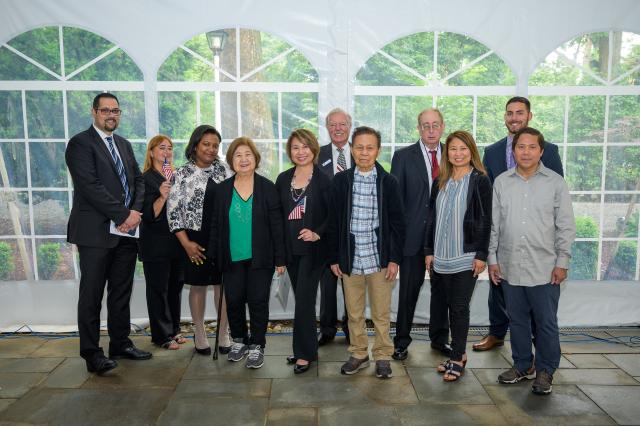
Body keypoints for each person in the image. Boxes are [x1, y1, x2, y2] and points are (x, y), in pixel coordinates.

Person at [66, 92, 151, 375]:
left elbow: (138, 180)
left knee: (120, 292)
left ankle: (120, 343)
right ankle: (92, 354)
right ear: (94, 112)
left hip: (126, 233)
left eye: (115, 110)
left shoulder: (124, 145)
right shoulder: (80, 144)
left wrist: (135, 213)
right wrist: (123, 214)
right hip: (95, 233)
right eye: (105, 110)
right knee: (91, 294)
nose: (111, 115)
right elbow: (90, 186)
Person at [490, 127, 575, 395]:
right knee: (517, 321)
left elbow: (566, 226)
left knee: (545, 322)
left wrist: (562, 261)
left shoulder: (555, 183)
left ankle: (545, 370)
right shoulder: (502, 182)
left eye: (531, 147)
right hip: (510, 265)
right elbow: (495, 225)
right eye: (520, 147)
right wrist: (492, 259)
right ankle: (523, 365)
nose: (526, 152)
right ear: (513, 151)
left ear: (541, 151)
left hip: (545, 268)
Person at [475, 96, 564, 352]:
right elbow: (487, 194)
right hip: (503, 233)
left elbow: (557, 196)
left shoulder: (551, 151)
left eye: (519, 112)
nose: (514, 117)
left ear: (529, 116)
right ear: (505, 117)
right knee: (499, 288)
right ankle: (497, 333)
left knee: (537, 300)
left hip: (538, 239)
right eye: (510, 113)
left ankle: (540, 347)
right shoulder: (492, 152)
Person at [327, 126, 405, 379]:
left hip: (379, 258)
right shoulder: (341, 181)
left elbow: (397, 224)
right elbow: (333, 223)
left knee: (381, 313)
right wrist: (334, 257)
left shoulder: (388, 182)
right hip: (350, 257)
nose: (364, 152)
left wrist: (394, 259)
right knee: (355, 312)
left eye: (369, 147)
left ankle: (383, 355)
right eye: (359, 147)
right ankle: (359, 353)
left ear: (378, 151)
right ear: (351, 149)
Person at [209, 137, 286, 369]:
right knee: (233, 301)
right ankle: (240, 341)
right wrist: (215, 255)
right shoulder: (222, 190)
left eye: (248, 155)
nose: (243, 159)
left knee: (258, 301)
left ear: (255, 158)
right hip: (231, 257)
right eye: (238, 155)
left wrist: (280, 259)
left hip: (260, 258)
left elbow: (277, 226)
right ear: (231, 160)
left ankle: (257, 345)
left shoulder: (267, 187)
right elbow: (214, 225)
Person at [424, 131, 492, 381]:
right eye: (453, 149)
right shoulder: (440, 180)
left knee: (460, 308)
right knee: (444, 306)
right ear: (447, 153)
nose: (458, 153)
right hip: (440, 257)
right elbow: (431, 218)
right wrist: (428, 251)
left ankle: (457, 357)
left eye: (463, 149)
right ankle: (458, 354)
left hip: (466, 255)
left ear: (471, 151)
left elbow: (486, 220)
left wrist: (482, 254)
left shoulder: (480, 180)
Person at [391, 108, 451, 361]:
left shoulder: (454, 153)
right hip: (413, 238)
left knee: (443, 292)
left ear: (442, 126)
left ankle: (439, 339)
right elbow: (395, 201)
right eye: (425, 125)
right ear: (418, 128)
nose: (430, 130)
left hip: (445, 238)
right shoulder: (403, 156)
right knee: (408, 291)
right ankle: (401, 341)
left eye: (435, 125)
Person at [167, 125, 231, 356]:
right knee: (198, 286)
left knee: (222, 285)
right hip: (194, 238)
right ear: (195, 145)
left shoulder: (224, 170)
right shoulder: (181, 173)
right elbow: (173, 212)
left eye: (215, 145)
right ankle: (200, 332)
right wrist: (186, 243)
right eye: (206, 144)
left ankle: (224, 332)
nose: (211, 149)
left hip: (222, 237)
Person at [276, 129, 331, 374]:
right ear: (290, 152)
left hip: (314, 251)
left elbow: (334, 215)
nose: (301, 152)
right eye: (296, 147)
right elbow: (276, 218)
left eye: (305, 146)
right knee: (303, 302)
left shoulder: (324, 179)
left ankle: (303, 355)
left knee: (305, 301)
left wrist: (317, 232)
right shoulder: (282, 178)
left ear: (314, 149)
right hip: (290, 251)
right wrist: (278, 255)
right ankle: (307, 350)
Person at [139, 135, 184, 350]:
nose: (166, 152)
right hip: (155, 244)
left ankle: (174, 330)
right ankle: (161, 336)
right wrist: (163, 196)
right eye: (161, 148)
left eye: (170, 148)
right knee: (158, 290)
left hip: (175, 242)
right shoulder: (145, 178)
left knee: (175, 288)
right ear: (151, 152)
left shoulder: (175, 176)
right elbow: (147, 214)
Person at [316, 108, 353, 345]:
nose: (338, 129)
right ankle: (327, 329)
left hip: (352, 231)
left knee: (352, 285)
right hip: (325, 231)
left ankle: (352, 327)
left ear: (350, 127)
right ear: (327, 128)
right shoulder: (316, 155)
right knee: (327, 284)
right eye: (333, 124)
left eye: (342, 124)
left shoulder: (360, 153)